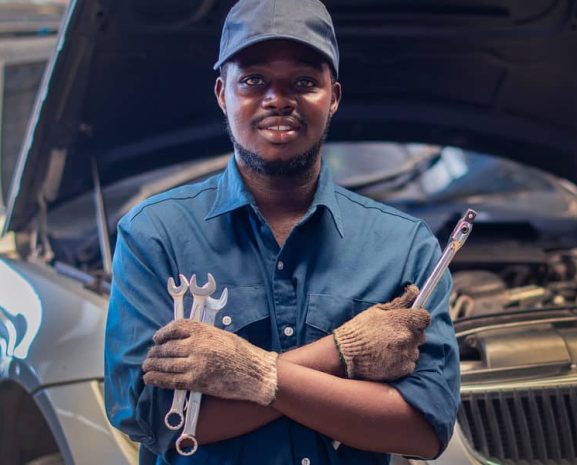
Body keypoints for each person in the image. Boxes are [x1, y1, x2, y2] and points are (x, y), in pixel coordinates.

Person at [104, 0, 460, 464]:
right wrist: (341, 354)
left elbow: (425, 429)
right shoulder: (155, 235)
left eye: (304, 82)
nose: (278, 98)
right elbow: (156, 420)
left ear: (332, 96)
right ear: (221, 93)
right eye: (253, 80)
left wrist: (248, 375)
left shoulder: (405, 246)